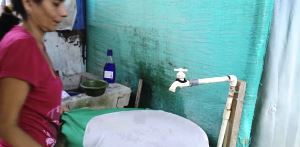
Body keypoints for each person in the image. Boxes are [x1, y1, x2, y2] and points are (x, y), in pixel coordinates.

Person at [0, 0, 67, 146]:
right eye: (55, 4)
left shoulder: (36, 43)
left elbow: (31, 97)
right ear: (29, 3)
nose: (64, 12)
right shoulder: (21, 45)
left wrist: (52, 108)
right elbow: (6, 126)